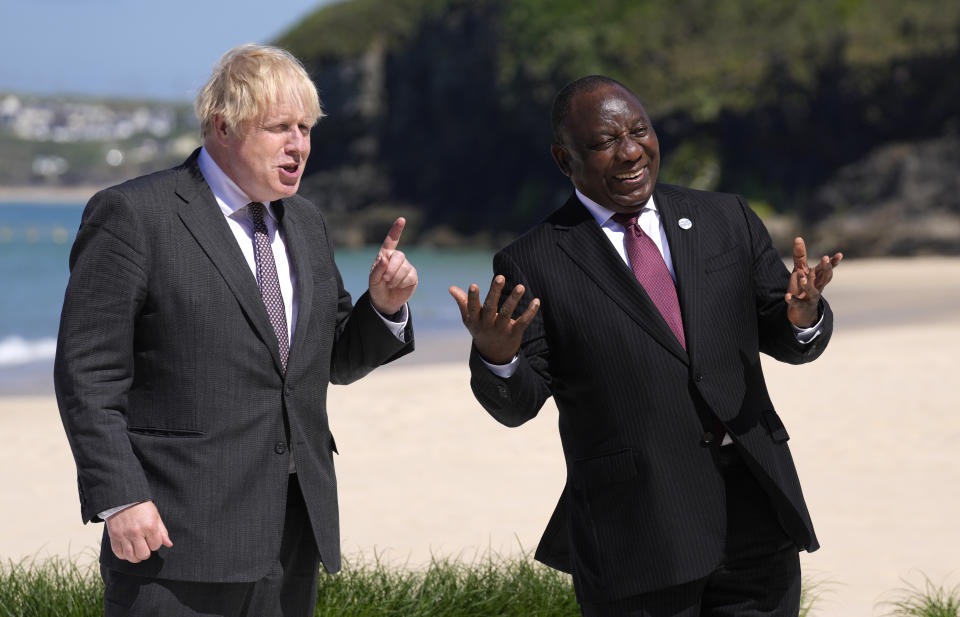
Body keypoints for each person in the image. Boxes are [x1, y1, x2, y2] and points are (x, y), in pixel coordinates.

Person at [450, 75, 842, 617]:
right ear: (565, 160)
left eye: (640, 131)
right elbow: (518, 405)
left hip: (757, 509)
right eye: (606, 142)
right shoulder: (532, 261)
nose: (631, 151)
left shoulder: (726, 217)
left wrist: (803, 315)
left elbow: (789, 337)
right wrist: (498, 356)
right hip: (637, 532)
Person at [54, 44, 417, 616]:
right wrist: (119, 498)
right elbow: (87, 374)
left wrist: (384, 308)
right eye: (280, 128)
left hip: (293, 533)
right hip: (174, 541)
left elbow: (330, 361)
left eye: (306, 128)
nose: (299, 145)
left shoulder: (307, 222)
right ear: (223, 127)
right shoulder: (134, 215)